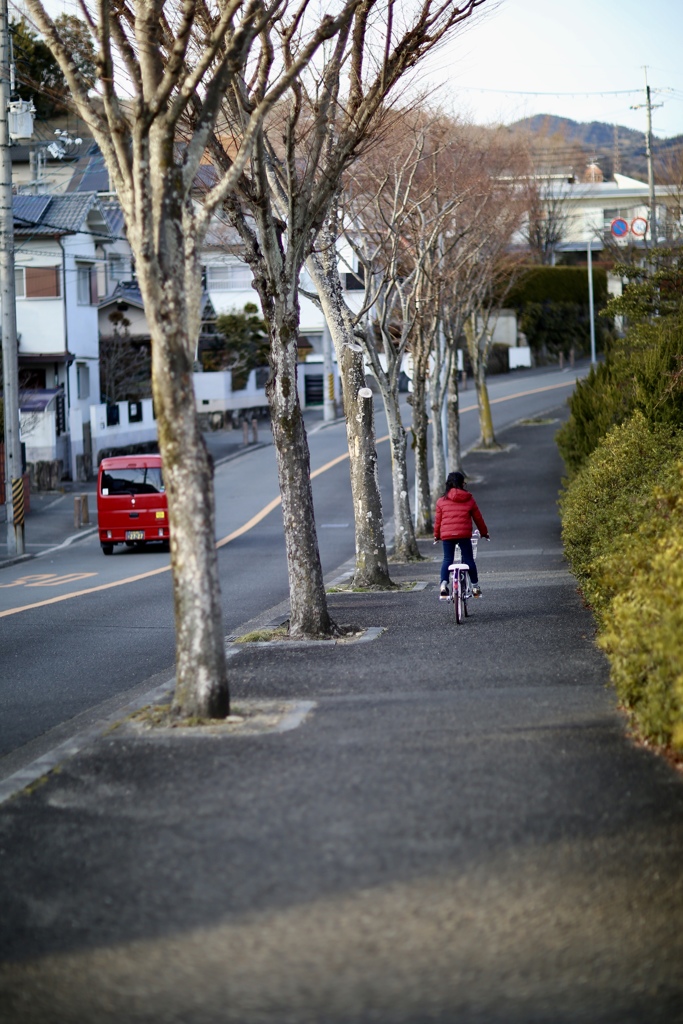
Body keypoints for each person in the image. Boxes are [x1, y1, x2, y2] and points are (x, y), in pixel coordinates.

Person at [434, 471, 489, 599]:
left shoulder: (441, 501)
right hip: (464, 535)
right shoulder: (469, 499)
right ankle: (475, 587)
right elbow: (478, 518)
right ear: (462, 483)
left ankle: (443, 585)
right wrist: (484, 533)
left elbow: (438, 522)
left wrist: (436, 536)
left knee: (447, 559)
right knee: (469, 559)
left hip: (447, 536)